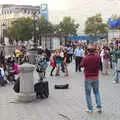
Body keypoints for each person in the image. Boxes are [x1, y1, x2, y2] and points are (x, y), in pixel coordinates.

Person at [80, 45, 102, 113]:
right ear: (94, 50)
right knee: (97, 92)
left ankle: (90, 108)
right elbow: (99, 65)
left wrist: (84, 56)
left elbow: (81, 65)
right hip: (96, 76)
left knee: (88, 94)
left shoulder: (85, 58)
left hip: (88, 77)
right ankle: (99, 107)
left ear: (87, 51)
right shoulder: (98, 57)